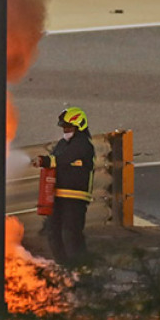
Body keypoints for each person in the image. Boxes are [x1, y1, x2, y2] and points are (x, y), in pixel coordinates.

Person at [32, 106, 96, 265]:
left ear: (79, 126)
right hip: (57, 195)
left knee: (71, 233)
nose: (65, 130)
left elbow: (63, 159)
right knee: (53, 233)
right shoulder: (62, 144)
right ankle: (64, 266)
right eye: (64, 127)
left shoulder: (83, 144)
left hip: (75, 197)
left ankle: (81, 268)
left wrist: (46, 161)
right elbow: (56, 157)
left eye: (68, 127)